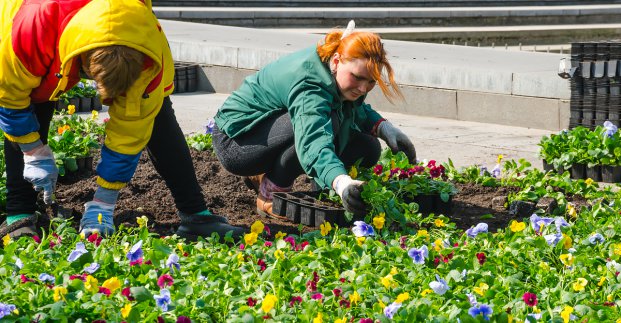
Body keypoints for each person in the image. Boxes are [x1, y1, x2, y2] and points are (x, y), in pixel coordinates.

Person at [0, 0, 244, 241]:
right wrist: (33, 151)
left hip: (106, 39)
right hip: (33, 37)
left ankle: (195, 215)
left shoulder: (148, 50)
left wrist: (103, 202)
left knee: (157, 114)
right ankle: (19, 215)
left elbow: (131, 128)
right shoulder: (31, 27)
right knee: (34, 101)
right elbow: (10, 97)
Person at [213, 21, 416, 220]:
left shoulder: (337, 71)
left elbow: (354, 108)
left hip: (268, 130)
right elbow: (313, 140)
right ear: (336, 61)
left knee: (367, 147)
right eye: (357, 77)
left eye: (371, 81)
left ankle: (311, 183)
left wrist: (384, 128)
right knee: (327, 124)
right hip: (237, 142)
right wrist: (341, 182)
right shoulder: (309, 84)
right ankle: (271, 193)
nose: (363, 88)